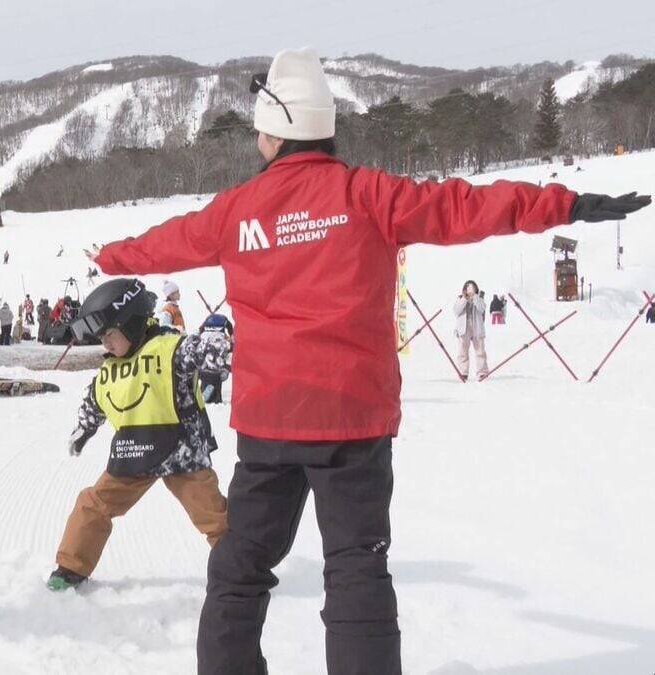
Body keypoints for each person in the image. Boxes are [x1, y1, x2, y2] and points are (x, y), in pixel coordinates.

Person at [85, 48, 649, 675]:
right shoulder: (368, 194)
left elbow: (166, 242)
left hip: (270, 422)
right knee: (356, 567)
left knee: (240, 568)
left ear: (273, 134)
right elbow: (464, 206)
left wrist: (109, 256)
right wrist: (565, 204)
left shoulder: (236, 211)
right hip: (352, 419)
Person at [47, 279, 232, 591]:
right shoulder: (111, 368)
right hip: (134, 452)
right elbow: (96, 398)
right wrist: (84, 428)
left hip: (182, 454)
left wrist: (222, 348)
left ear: (130, 323)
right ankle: (70, 569)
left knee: (212, 515)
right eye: (101, 338)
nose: (105, 344)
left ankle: (239, 565)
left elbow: (206, 351)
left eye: (109, 334)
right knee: (93, 504)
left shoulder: (171, 348)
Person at [455, 282, 489, 381]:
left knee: (480, 350)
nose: (470, 292)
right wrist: (464, 299)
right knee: (463, 351)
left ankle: (482, 372)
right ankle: (463, 372)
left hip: (477, 327)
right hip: (464, 328)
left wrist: (475, 297)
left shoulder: (479, 298)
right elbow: (456, 311)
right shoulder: (460, 298)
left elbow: (482, 308)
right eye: (468, 289)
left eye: (472, 289)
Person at [199, 314, 234, 404]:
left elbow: (200, 330)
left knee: (206, 384)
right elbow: (231, 345)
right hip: (216, 371)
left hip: (202, 368)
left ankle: (205, 398)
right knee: (213, 390)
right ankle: (211, 399)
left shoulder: (203, 336)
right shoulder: (222, 339)